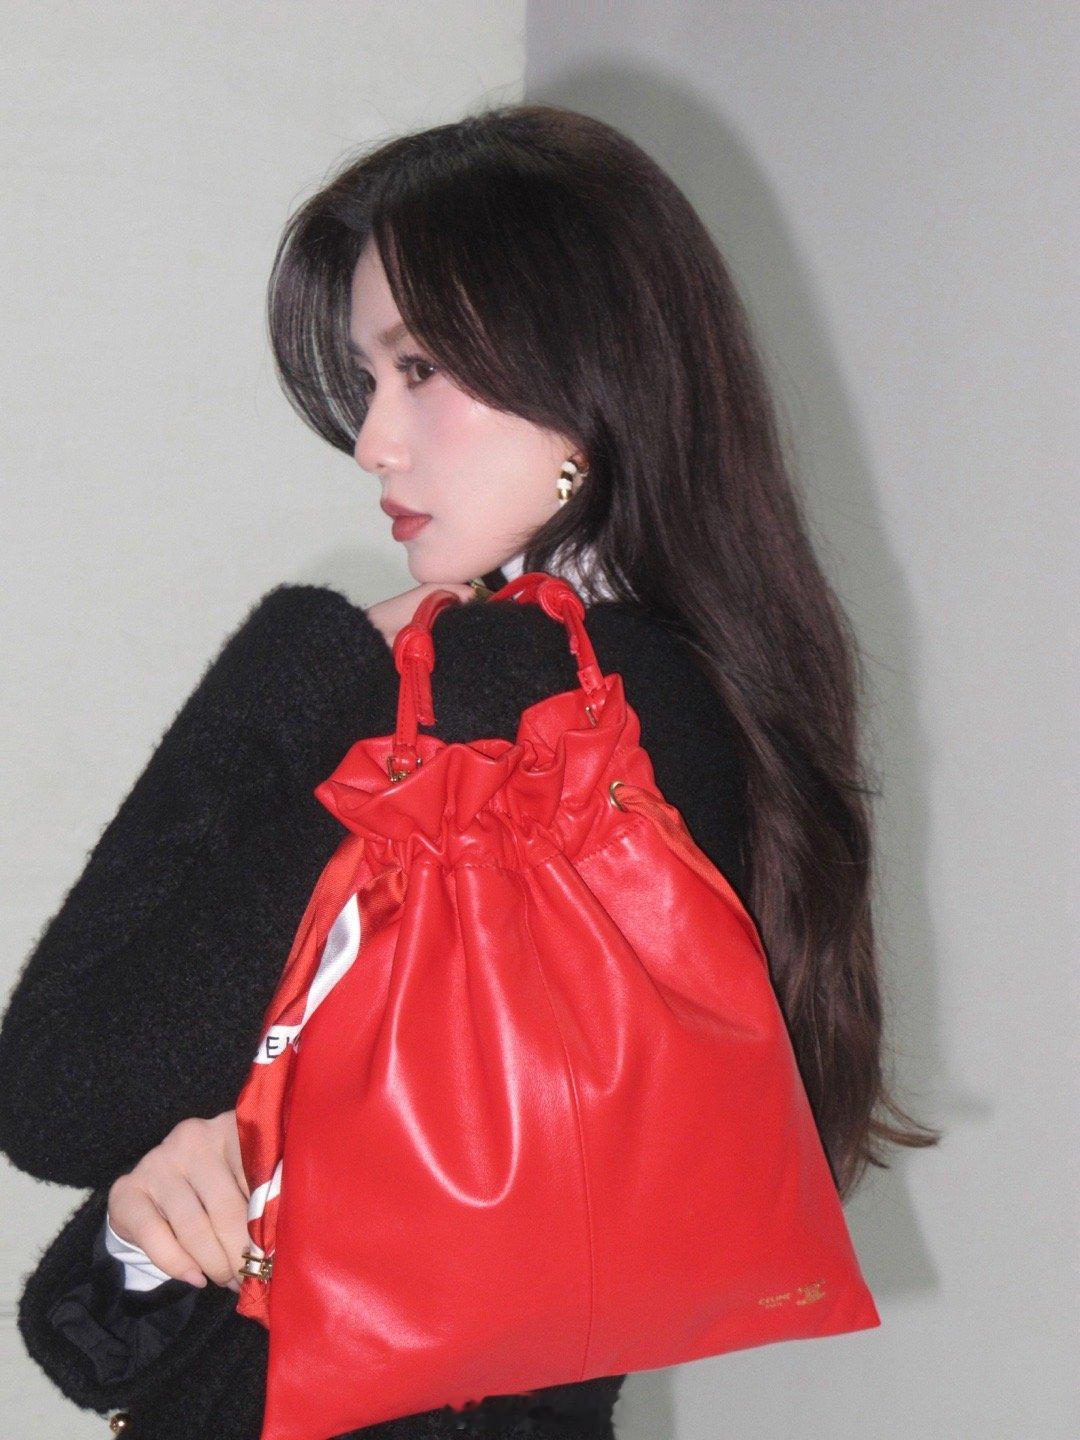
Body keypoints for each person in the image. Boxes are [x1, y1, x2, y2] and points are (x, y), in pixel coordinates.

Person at [0, 103, 938, 1439]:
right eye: (370, 377)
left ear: (584, 381)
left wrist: (293, 666)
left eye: (420, 369)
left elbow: (55, 1091)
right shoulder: (651, 698)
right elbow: (98, 1326)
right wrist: (150, 1224)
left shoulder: (527, 710)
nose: (373, 441)